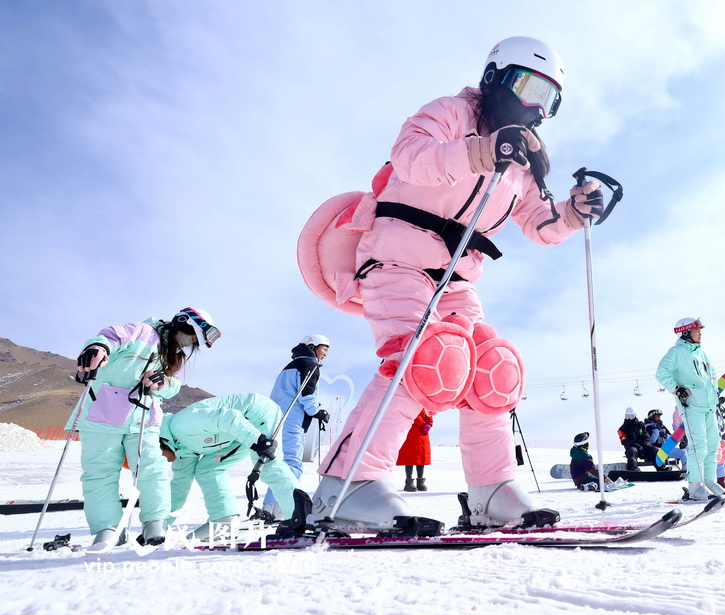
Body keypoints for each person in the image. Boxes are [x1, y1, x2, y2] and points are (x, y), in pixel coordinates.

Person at [308, 36, 608, 531]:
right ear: (495, 78)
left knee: (491, 370)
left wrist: (573, 214)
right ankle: (347, 486)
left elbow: (540, 224)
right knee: (418, 358)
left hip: (457, 273)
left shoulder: (523, 161)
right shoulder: (451, 113)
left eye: (550, 99)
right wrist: (480, 151)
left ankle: (491, 490)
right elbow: (410, 156)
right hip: (397, 257)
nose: (536, 106)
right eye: (528, 87)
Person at [68, 307, 219, 549]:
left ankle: (155, 522)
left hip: (143, 417)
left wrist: (163, 382)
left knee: (152, 467)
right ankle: (108, 529)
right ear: (182, 324)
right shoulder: (141, 331)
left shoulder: (173, 355)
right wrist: (98, 348)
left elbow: (173, 386)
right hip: (102, 413)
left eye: (192, 343)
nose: (187, 345)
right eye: (190, 338)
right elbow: (110, 337)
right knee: (100, 472)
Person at [159, 393, 300, 540]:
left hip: (255, 414)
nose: (162, 461)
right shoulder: (182, 452)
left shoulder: (180, 423)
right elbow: (178, 489)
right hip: (235, 432)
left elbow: (228, 417)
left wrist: (258, 441)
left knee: (269, 466)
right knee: (207, 470)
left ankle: (301, 518)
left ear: (158, 442)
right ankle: (223, 521)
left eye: (157, 456)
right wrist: (158, 527)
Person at [656, 317, 725, 501]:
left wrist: (714, 396)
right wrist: (676, 388)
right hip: (692, 406)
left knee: (713, 445)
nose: (700, 334)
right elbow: (661, 372)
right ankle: (695, 486)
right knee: (699, 445)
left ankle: (710, 481)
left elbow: (712, 375)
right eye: (697, 330)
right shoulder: (676, 352)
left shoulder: (702, 353)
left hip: (709, 406)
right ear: (686, 332)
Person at [264, 334, 330, 518]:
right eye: (324, 348)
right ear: (312, 347)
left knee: (279, 465)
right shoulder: (310, 365)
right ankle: (286, 510)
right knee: (292, 463)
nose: (325, 354)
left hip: (275, 419)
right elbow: (307, 396)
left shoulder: (289, 367)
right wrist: (318, 412)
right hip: (292, 420)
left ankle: (269, 508)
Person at [397, 409, 433, 492]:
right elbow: (411, 416)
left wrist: (429, 423)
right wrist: (423, 423)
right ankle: (409, 482)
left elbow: (429, 415)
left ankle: (420, 482)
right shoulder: (410, 405)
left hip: (422, 435)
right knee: (410, 459)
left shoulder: (424, 406)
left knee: (421, 459)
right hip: (411, 433)